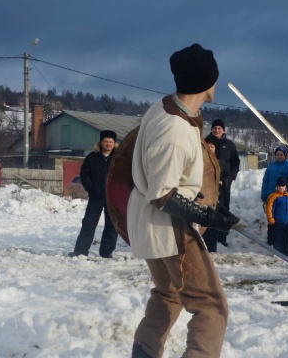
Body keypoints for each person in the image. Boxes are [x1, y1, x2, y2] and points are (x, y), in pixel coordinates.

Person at [126, 43, 240, 358]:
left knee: (168, 294)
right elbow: (162, 194)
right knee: (210, 307)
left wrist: (209, 209)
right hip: (168, 228)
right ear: (206, 81)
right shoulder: (173, 129)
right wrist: (207, 217)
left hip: (152, 223)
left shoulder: (166, 108)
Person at [68, 130, 119, 258]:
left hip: (113, 197)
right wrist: (91, 188)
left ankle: (107, 252)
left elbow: (125, 176)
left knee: (112, 225)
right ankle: (80, 251)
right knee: (89, 223)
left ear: (114, 143)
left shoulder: (119, 158)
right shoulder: (92, 157)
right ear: (101, 142)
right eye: (106, 141)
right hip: (96, 196)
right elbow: (85, 175)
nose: (108, 144)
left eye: (111, 142)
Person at [205, 118, 240, 247]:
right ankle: (208, 236)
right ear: (211, 129)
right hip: (208, 183)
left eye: (219, 128)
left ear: (223, 130)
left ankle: (222, 238)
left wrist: (230, 177)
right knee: (209, 208)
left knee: (224, 208)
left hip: (224, 182)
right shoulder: (205, 142)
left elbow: (236, 162)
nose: (217, 130)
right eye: (215, 128)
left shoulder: (229, 145)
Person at [202, 137, 231, 253]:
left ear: (215, 149)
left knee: (214, 221)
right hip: (203, 196)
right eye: (208, 146)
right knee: (203, 221)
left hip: (217, 196)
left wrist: (223, 182)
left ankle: (213, 248)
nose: (210, 148)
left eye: (212, 146)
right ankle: (203, 248)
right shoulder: (200, 160)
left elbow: (228, 175)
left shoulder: (221, 162)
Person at [261, 146, 288, 245]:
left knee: (280, 219)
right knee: (271, 217)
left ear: (285, 155)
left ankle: (281, 241)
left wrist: (287, 194)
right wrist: (264, 195)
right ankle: (270, 239)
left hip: (282, 197)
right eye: (277, 154)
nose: (279, 156)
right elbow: (265, 181)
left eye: (281, 155)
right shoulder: (271, 167)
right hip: (271, 196)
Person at [265, 176, 288, 256]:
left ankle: (286, 251)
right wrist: (271, 218)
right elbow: (270, 209)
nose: (281, 188)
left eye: (283, 186)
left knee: (287, 238)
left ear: (286, 187)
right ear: (276, 187)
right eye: (279, 186)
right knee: (277, 238)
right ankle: (277, 252)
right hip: (277, 222)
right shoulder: (273, 197)